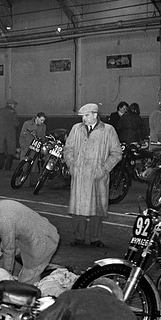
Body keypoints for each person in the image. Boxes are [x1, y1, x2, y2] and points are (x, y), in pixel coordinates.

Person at [63, 103, 123, 247]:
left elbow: (116, 153)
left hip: (98, 176)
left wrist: (103, 169)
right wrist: (72, 165)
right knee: (78, 210)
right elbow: (68, 149)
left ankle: (95, 238)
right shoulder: (76, 129)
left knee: (97, 209)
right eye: (82, 116)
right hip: (79, 175)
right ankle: (79, 237)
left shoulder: (108, 130)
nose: (83, 119)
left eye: (86, 115)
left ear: (95, 115)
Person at [0, 200, 59, 284]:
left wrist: (5, 275)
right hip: (42, 230)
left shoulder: (3, 221)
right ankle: (30, 266)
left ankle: (34, 282)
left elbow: (9, 250)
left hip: (43, 241)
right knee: (7, 246)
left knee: (25, 280)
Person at [0, 99, 19, 170]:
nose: (15, 106)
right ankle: (8, 167)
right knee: (10, 151)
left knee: (0, 150)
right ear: (11, 104)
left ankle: (0, 165)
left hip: (0, 133)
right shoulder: (13, 112)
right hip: (10, 134)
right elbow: (16, 124)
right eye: (14, 104)